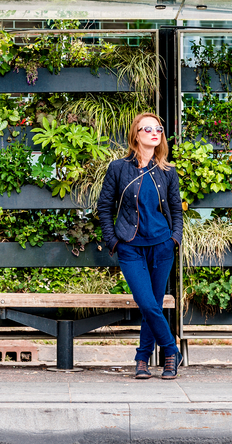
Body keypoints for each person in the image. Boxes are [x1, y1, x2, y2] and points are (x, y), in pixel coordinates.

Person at [97, 112, 183, 380]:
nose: (155, 132)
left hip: (162, 246)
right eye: (148, 129)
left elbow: (176, 211)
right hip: (131, 247)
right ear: (136, 135)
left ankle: (143, 360)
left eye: (158, 128)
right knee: (146, 302)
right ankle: (171, 350)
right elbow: (104, 207)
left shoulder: (168, 172)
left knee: (153, 304)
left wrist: (174, 239)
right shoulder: (118, 168)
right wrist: (114, 241)